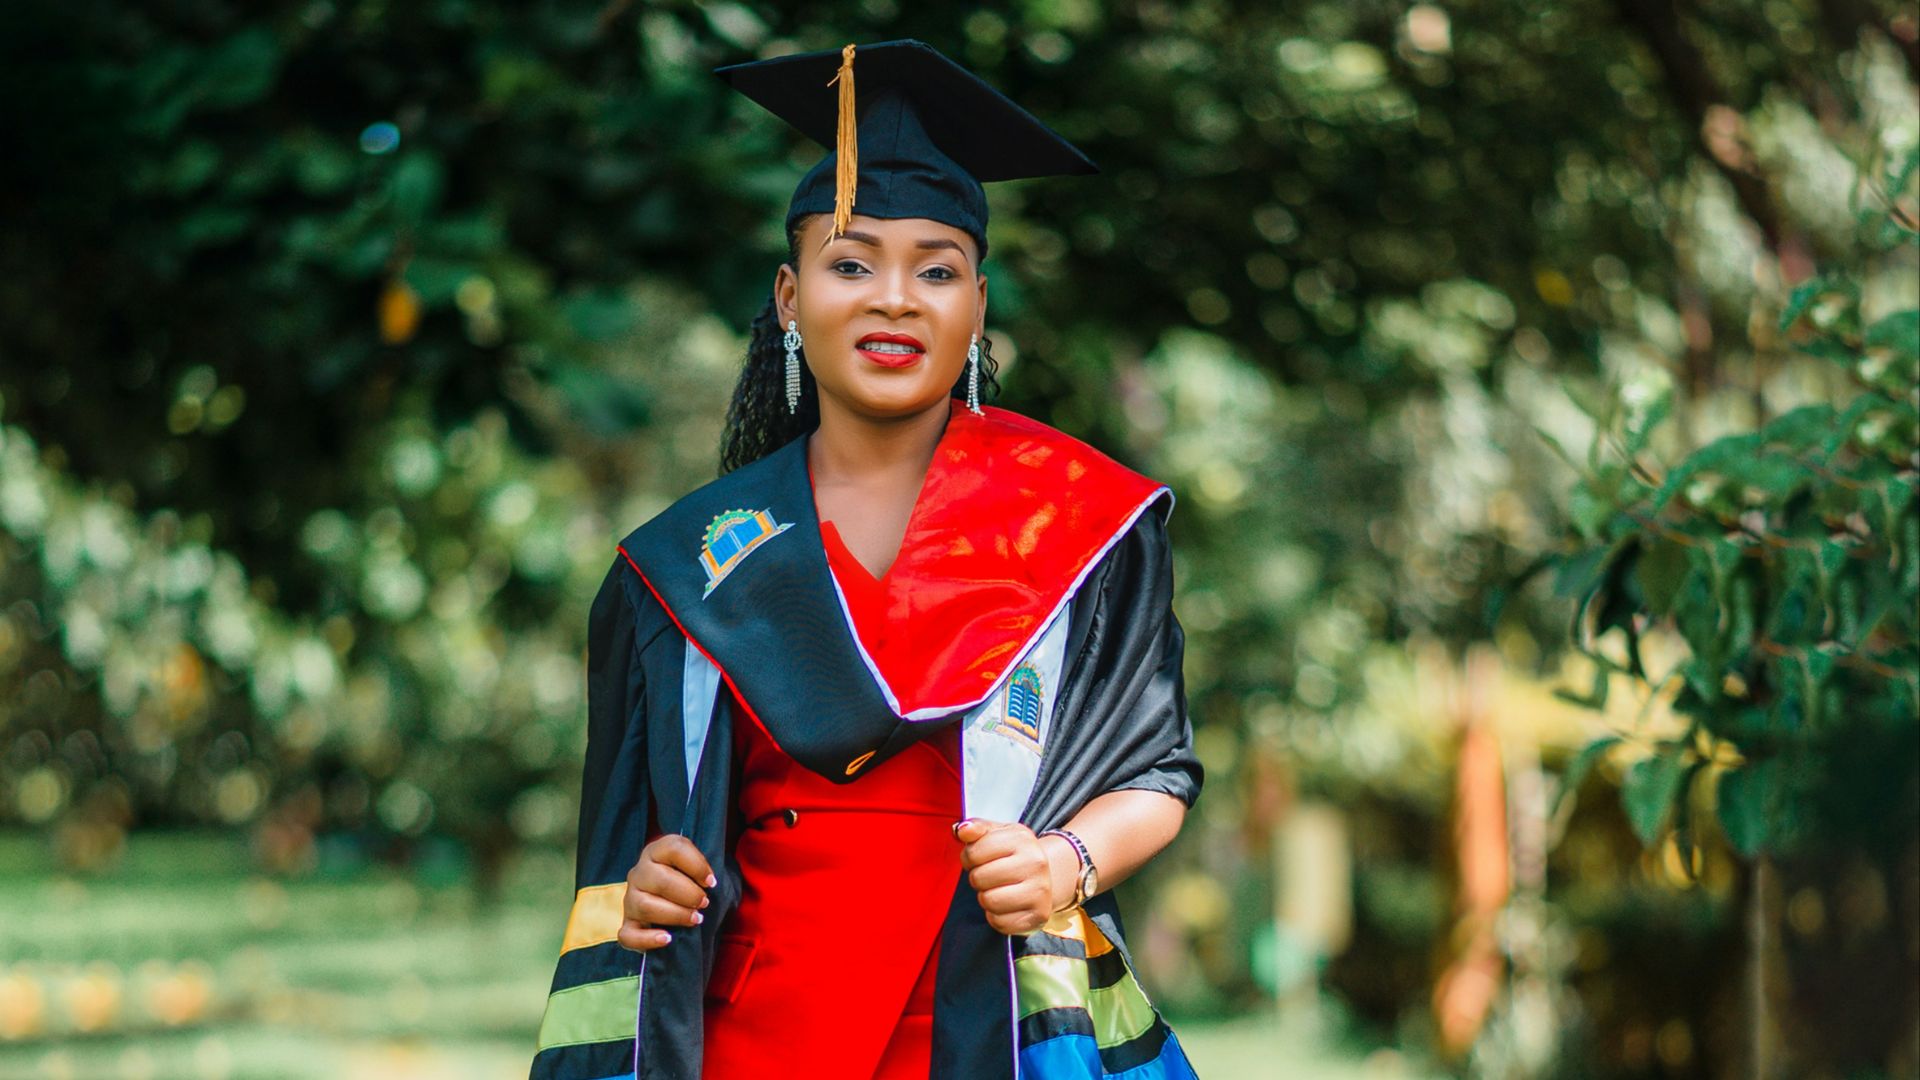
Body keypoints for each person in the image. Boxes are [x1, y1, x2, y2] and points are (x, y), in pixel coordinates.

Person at [532, 39, 1202, 1080]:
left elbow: (1157, 771)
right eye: (852, 262)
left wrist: (1067, 861)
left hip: (990, 1021)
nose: (895, 298)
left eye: (936, 269)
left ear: (978, 305)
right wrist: (648, 879)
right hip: (759, 1032)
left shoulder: (1084, 524)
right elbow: (640, 838)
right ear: (791, 298)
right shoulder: (683, 566)